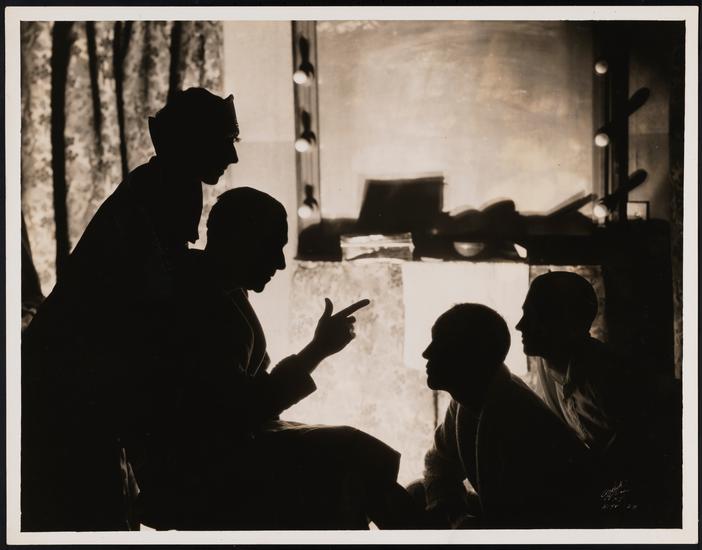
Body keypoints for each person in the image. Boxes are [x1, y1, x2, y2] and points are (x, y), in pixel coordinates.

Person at [133, 187, 421, 530]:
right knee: (349, 452)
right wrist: (317, 350)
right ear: (241, 242)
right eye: (272, 247)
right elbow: (242, 410)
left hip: (221, 447)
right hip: (196, 472)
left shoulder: (220, 287)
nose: (281, 263)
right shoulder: (198, 303)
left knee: (351, 460)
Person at [21, 88, 239, 531]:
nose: (232, 156)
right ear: (192, 144)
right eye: (223, 142)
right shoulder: (163, 190)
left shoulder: (165, 183)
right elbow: (156, 293)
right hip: (68, 374)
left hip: (77, 372)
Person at [516, 271, 681, 526]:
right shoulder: (547, 365)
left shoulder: (606, 377)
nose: (520, 325)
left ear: (567, 324)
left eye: (534, 316)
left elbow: (638, 463)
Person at [419, 304, 599, 529]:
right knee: (417, 491)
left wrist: (462, 525)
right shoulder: (466, 399)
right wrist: (453, 513)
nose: (426, 353)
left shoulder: (521, 422)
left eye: (440, 344)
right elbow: (438, 461)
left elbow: (520, 522)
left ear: (469, 357)